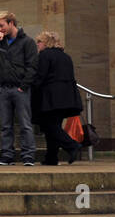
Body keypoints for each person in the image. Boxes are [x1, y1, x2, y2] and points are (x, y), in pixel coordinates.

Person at [0, 10, 38, 166]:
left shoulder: (27, 42)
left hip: (20, 89)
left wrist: (24, 86)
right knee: (5, 125)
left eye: (2, 25)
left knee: (25, 124)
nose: (0, 29)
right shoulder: (1, 41)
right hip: (4, 89)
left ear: (12, 23)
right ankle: (7, 155)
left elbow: (32, 67)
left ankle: (28, 156)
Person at [30, 31, 84, 165]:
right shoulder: (65, 56)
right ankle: (51, 158)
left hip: (51, 97)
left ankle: (72, 146)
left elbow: (40, 76)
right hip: (66, 97)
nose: (38, 45)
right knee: (54, 125)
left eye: (39, 42)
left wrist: (29, 87)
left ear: (46, 42)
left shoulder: (45, 55)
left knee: (50, 126)